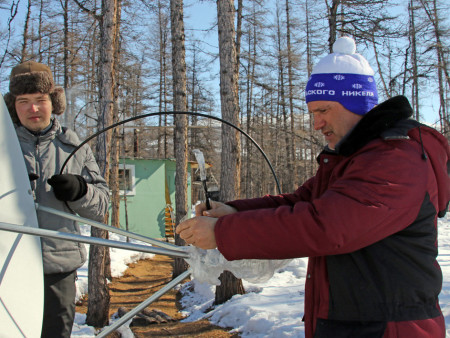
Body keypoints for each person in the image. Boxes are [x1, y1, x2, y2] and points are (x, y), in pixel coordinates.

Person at [177, 36, 450, 337]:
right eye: (312, 113)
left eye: (323, 110)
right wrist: (231, 212)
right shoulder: (353, 159)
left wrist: (223, 233)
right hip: (351, 324)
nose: (316, 124)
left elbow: (326, 226)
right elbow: (298, 203)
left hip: (390, 329)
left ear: (354, 102)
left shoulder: (397, 158)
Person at [4, 61, 110, 338]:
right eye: (23, 101)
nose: (33, 109)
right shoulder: (3, 148)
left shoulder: (74, 148)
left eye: (40, 100)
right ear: (12, 105)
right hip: (7, 267)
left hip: (58, 268)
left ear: (54, 102)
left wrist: (80, 191)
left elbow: (101, 207)